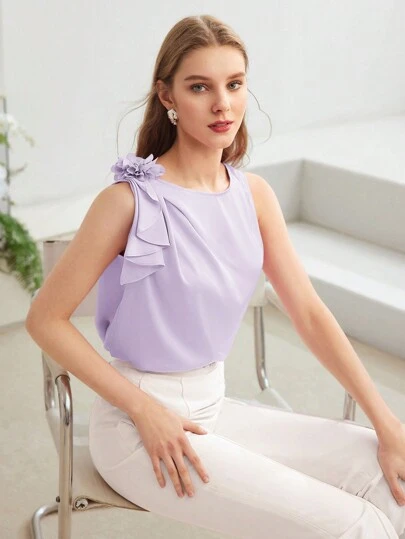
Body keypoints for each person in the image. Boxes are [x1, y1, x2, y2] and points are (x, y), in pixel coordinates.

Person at [26, 14, 405, 539]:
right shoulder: (127, 202)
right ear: (167, 96)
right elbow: (45, 320)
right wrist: (143, 409)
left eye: (234, 84)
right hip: (137, 426)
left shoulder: (255, 196)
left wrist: (387, 422)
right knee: (356, 527)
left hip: (214, 407)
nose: (222, 104)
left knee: (388, 477)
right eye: (200, 87)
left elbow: (310, 313)